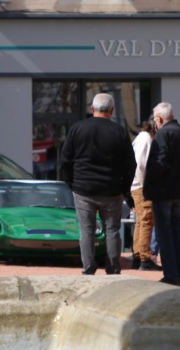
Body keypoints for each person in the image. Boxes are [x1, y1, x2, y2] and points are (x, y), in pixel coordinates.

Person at [58, 93, 137, 276]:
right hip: (111, 190)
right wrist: (124, 189)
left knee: (87, 231)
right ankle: (113, 269)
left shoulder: (78, 128)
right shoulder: (119, 131)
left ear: (92, 109)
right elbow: (130, 165)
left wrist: (71, 183)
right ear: (112, 110)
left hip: (83, 189)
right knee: (112, 231)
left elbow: (65, 160)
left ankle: (88, 269)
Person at [143, 101, 180, 287]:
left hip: (163, 191)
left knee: (164, 234)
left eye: (155, 118)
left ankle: (171, 276)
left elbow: (158, 162)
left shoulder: (163, 133)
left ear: (159, 118)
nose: (154, 122)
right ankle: (177, 274)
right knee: (176, 234)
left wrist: (147, 188)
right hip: (179, 191)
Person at [129, 118, 160, 271]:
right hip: (142, 187)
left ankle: (137, 256)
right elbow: (141, 165)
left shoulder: (140, 138)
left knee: (140, 222)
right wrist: (146, 187)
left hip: (136, 186)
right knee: (147, 221)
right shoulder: (146, 139)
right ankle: (145, 258)